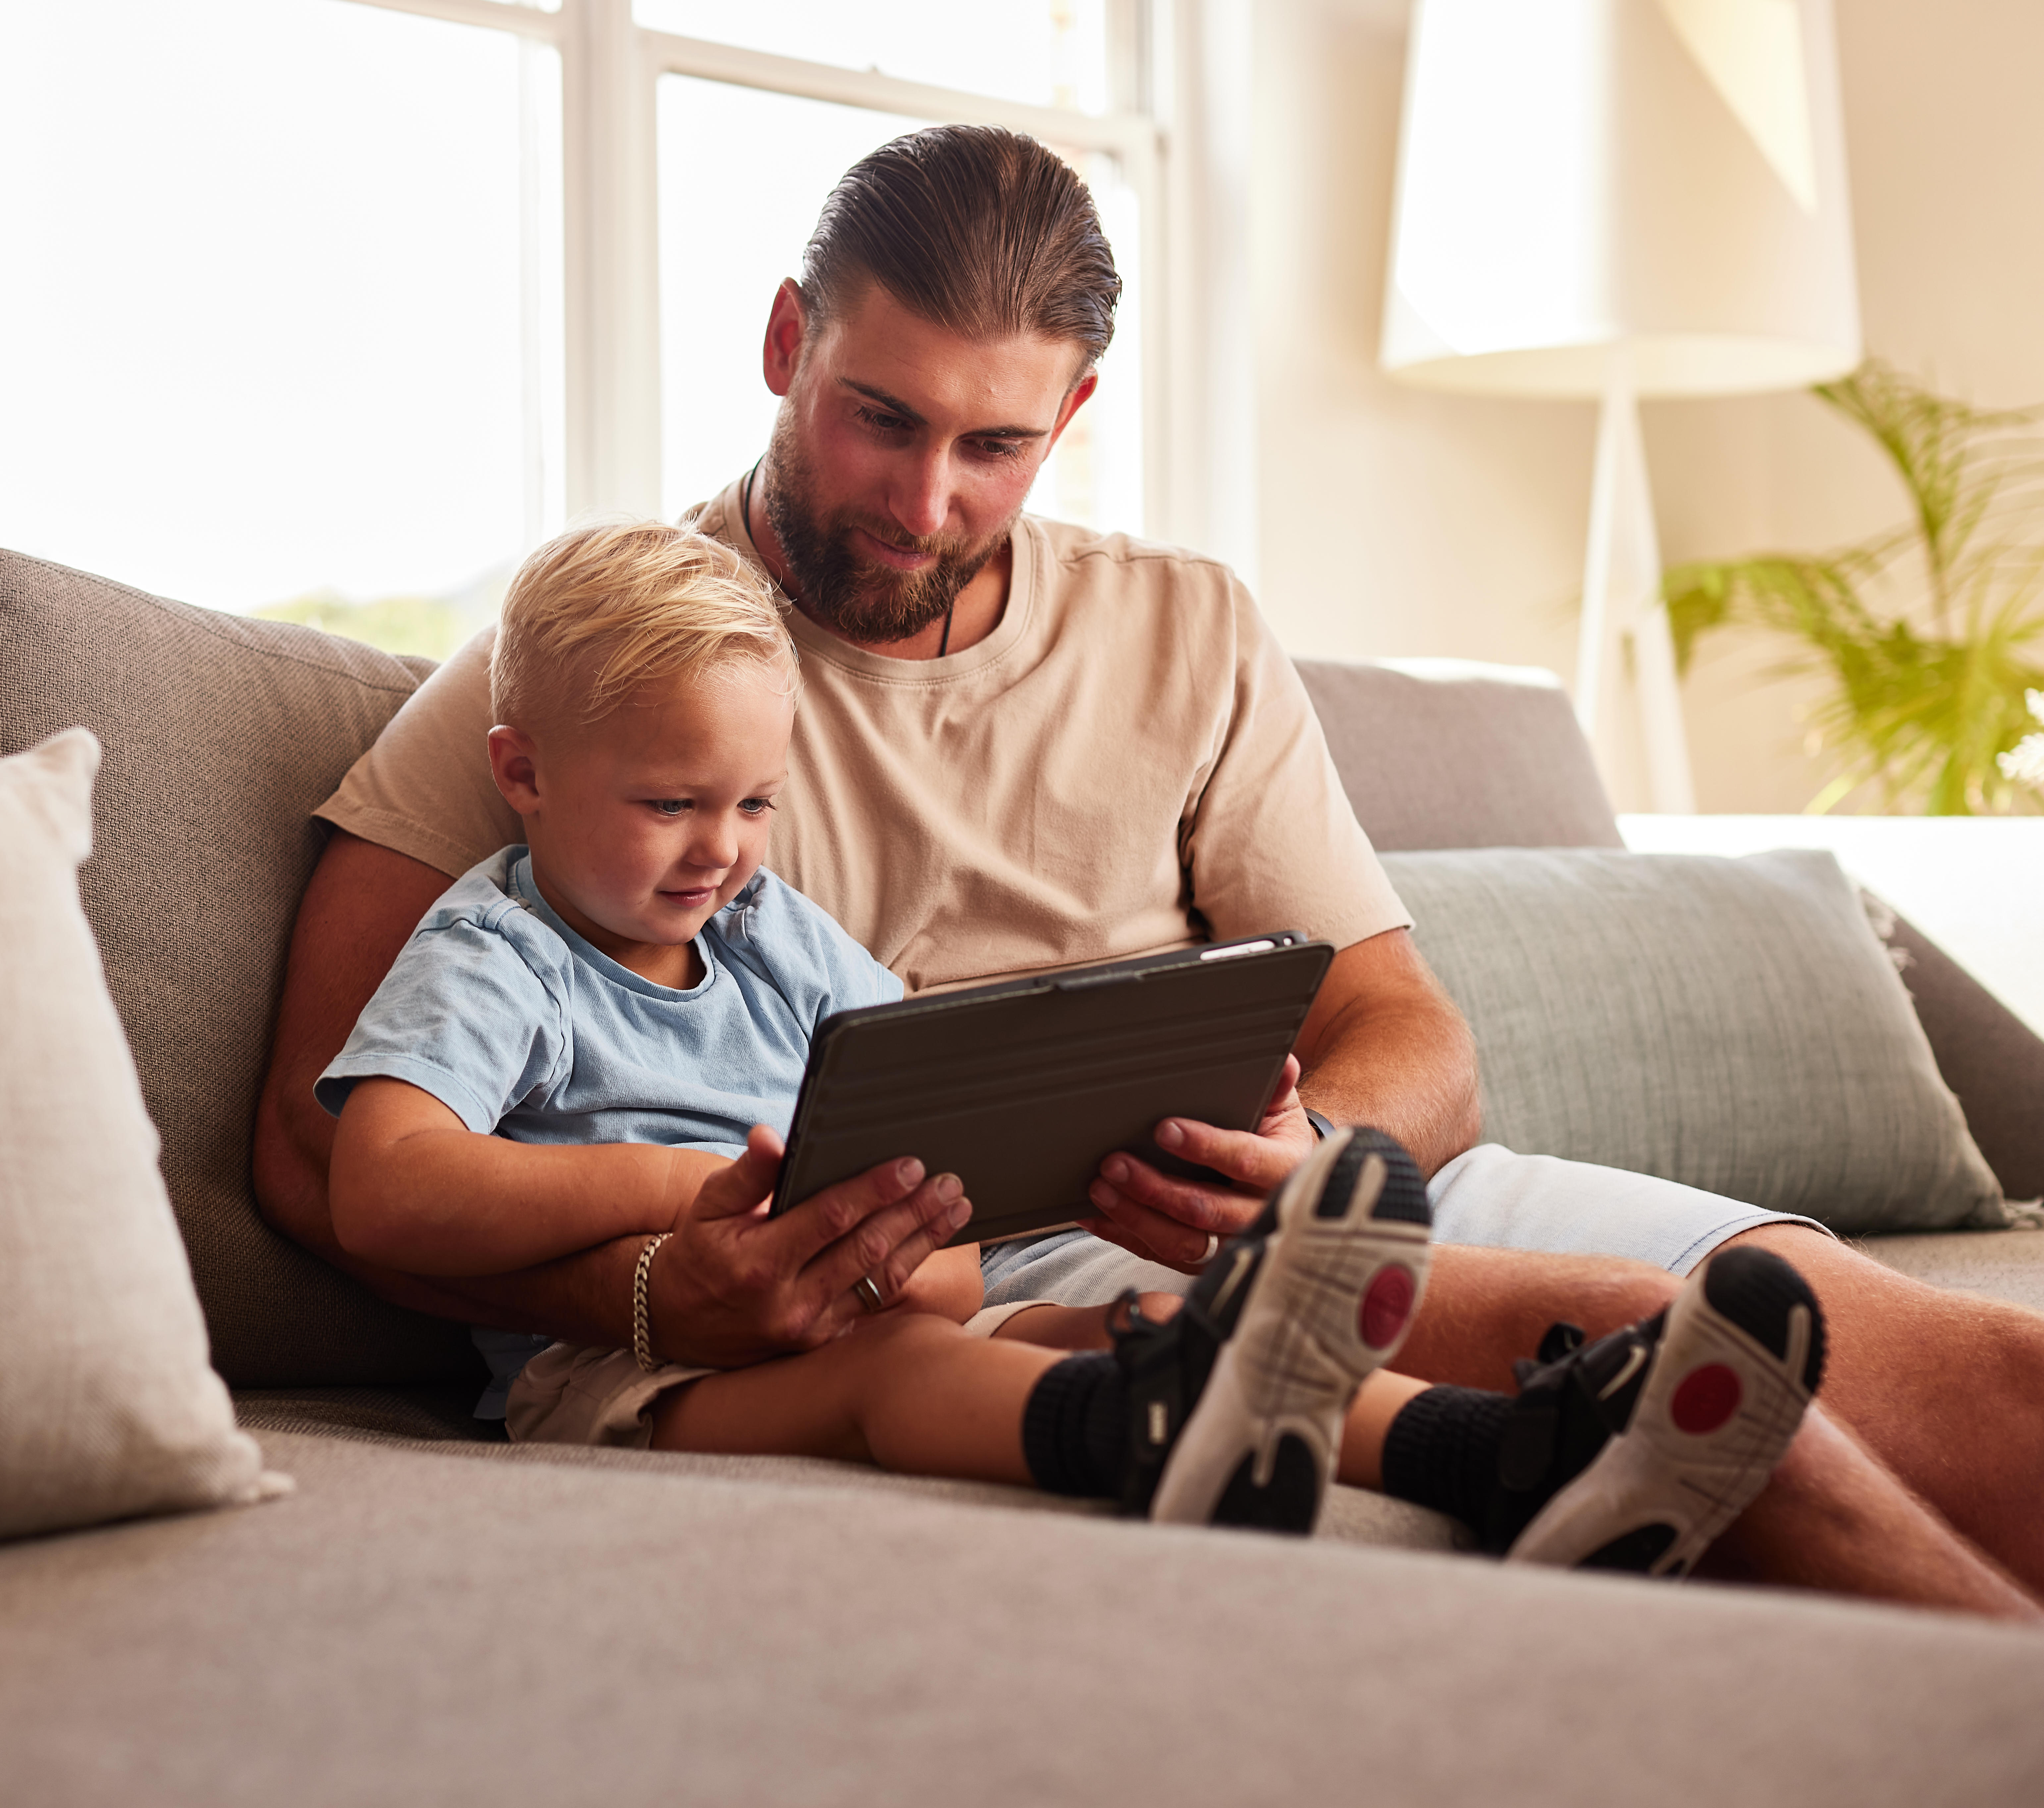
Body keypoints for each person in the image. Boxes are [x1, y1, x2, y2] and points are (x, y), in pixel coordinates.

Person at [255, 125, 2044, 1618]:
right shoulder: (609, 668)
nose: (927, 501)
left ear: (1078, 409)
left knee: (1964, 1369)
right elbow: (319, 1146)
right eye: (882, 415)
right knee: (1692, 1355)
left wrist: (1309, 1161)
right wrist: (652, 1288)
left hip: (1279, 1204)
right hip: (1014, 1267)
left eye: (996, 446)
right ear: (790, 337)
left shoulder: (1184, 624)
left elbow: (1407, 1028)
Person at [319, 516, 1832, 1573]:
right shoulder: (498, 947)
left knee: (1106, 1327)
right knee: (901, 1373)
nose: (721, 849)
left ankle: (1509, 1450)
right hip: (616, 1368)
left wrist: (910, 1201)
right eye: (669, 805)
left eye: (753, 801)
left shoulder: (768, 932)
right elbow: (382, 1184)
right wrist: (687, 1194)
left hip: (860, 1295)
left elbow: (938, 1183)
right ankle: (1146, 1426)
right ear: (518, 771)